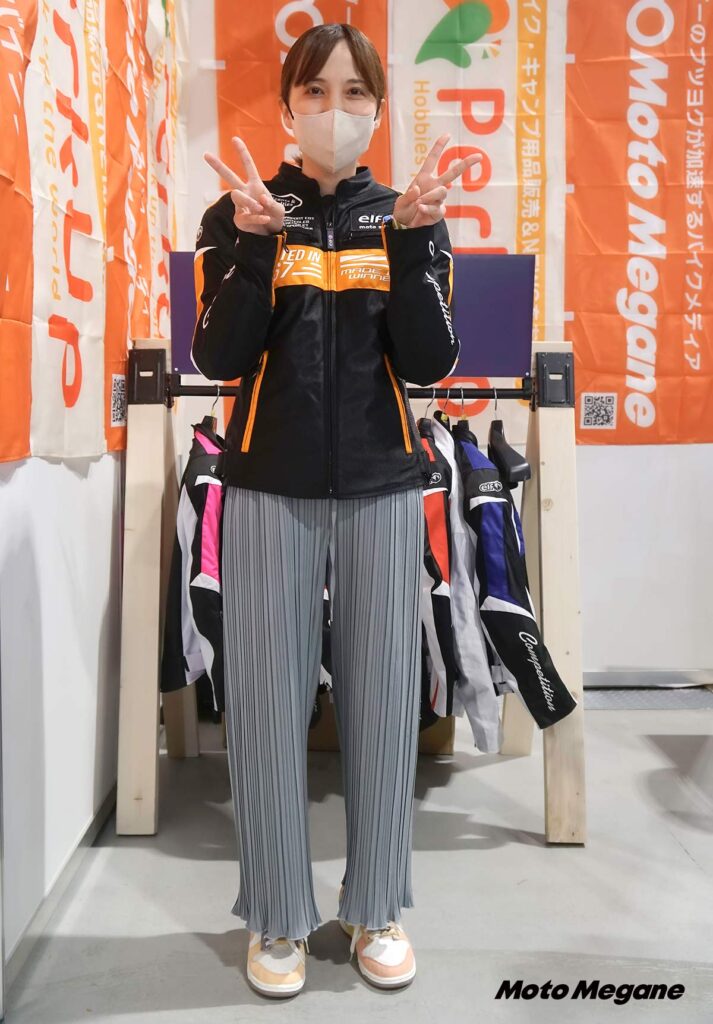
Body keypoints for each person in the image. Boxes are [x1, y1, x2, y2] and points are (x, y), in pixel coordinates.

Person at [192, 21, 480, 998]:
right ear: (286, 105)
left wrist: (413, 240)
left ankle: (377, 905)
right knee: (267, 703)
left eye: (354, 93)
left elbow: (431, 362)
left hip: (382, 487)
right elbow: (218, 357)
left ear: (378, 110)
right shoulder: (237, 213)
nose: (333, 111)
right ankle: (277, 914)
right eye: (314, 92)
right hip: (264, 485)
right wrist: (250, 248)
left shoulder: (407, 216)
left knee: (384, 700)